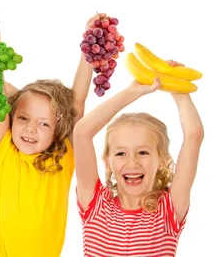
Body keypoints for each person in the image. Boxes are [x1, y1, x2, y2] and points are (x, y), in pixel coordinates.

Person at [0, 7, 95, 256]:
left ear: (58, 129)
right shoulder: (3, 154)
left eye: (44, 123)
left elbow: (76, 103)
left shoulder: (63, 156)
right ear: (11, 118)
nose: (30, 128)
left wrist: (90, 43)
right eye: (23, 118)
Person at [73, 67, 204, 256]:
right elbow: (81, 132)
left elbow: (194, 135)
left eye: (142, 152)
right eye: (120, 154)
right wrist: (132, 92)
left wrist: (177, 88)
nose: (132, 162)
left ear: (162, 160)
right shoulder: (96, 206)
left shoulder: (167, 211)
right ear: (107, 161)